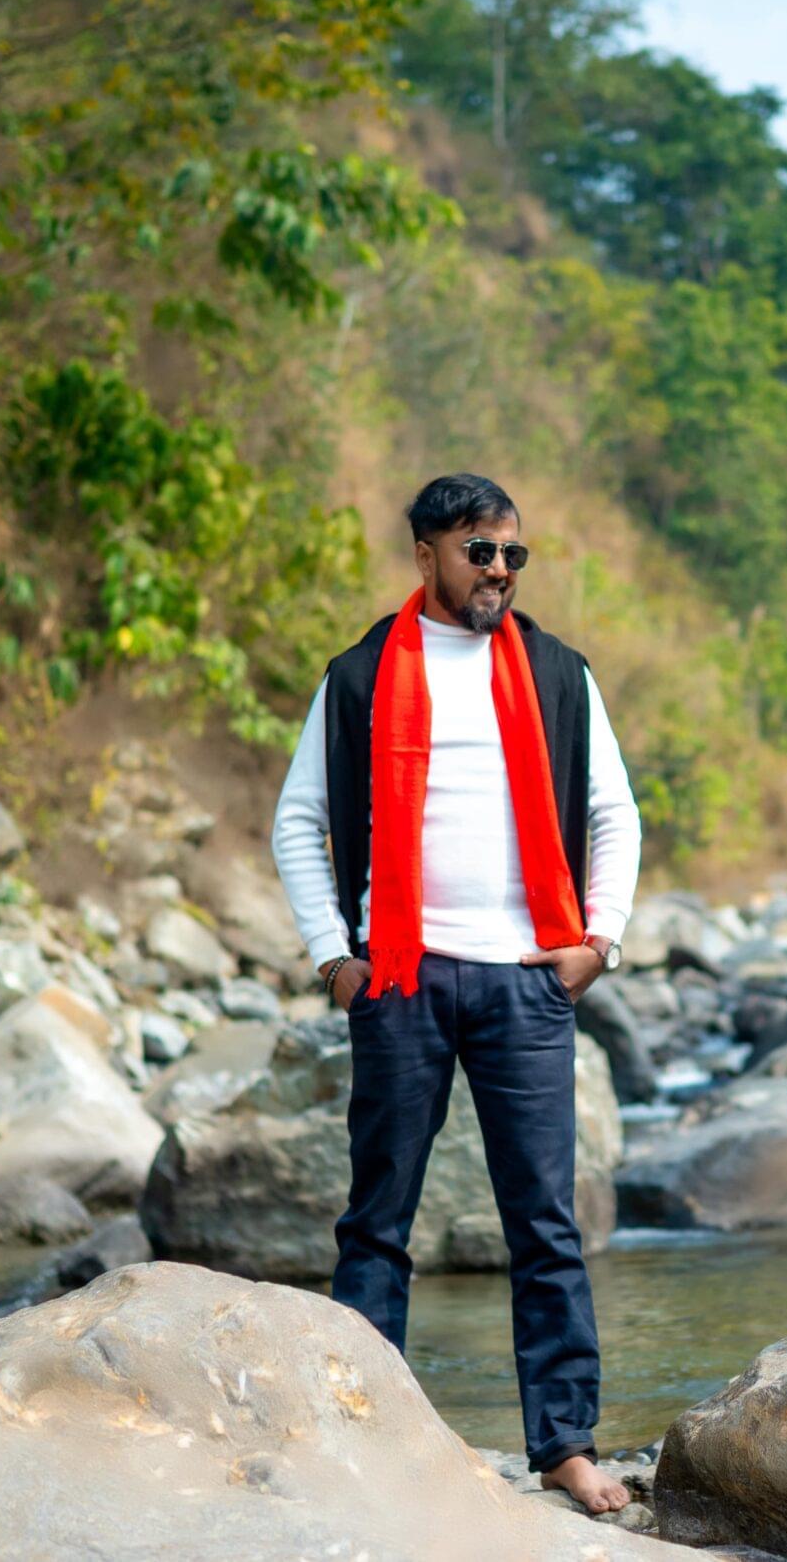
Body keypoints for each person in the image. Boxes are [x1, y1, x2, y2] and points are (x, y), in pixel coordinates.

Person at [270, 473, 642, 1516]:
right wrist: (328, 954)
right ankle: (361, 1433)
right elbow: (299, 820)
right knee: (378, 1220)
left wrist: (596, 944)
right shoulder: (356, 676)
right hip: (401, 975)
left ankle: (564, 1444)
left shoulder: (560, 673)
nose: (500, 571)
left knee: (545, 1221)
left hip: (528, 981)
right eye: (480, 550)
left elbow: (614, 813)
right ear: (427, 552)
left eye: (513, 553)